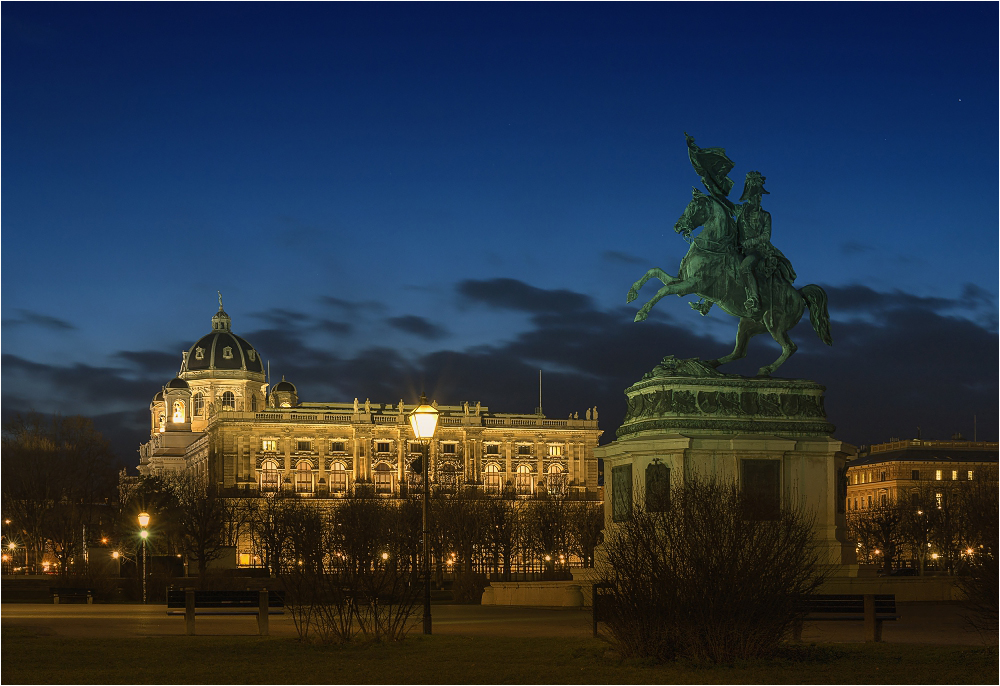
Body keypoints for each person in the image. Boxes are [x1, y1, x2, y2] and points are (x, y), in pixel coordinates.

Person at [734, 171, 796, 312]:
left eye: (760, 196)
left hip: (758, 251)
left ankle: (754, 299)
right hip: (740, 250)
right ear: (749, 197)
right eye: (756, 195)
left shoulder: (765, 216)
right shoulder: (740, 212)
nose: (759, 198)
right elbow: (724, 204)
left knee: (745, 267)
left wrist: (749, 243)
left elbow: (766, 236)